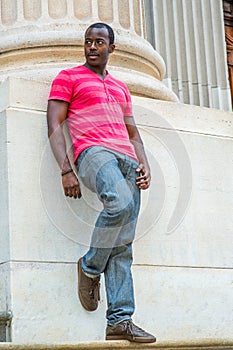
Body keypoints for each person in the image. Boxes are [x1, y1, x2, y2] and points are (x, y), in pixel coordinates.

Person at [47, 22, 156, 343]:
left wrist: (145, 164)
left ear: (112, 48)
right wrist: (66, 169)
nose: (92, 47)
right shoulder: (68, 78)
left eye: (99, 42)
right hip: (93, 153)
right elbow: (54, 123)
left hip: (128, 160)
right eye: (88, 42)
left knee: (123, 245)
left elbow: (133, 133)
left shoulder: (122, 88)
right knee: (118, 203)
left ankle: (120, 320)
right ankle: (90, 267)